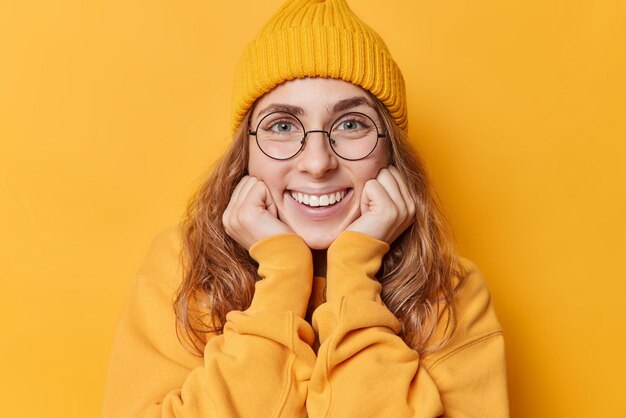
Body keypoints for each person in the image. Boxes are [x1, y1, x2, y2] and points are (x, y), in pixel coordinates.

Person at [103, 0, 509, 416]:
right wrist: (283, 275)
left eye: (351, 124)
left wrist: (355, 268)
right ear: (245, 152)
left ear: (391, 151)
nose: (317, 163)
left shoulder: (451, 291)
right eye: (282, 125)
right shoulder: (182, 269)